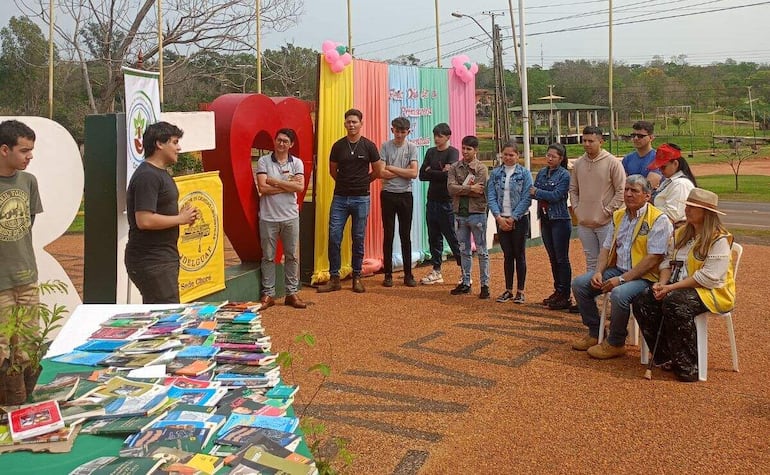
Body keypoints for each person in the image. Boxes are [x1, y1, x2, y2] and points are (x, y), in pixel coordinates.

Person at [632, 188, 735, 382]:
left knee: (675, 302)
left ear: (706, 213)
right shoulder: (680, 235)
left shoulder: (719, 239)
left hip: (712, 292)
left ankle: (688, 365)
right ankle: (666, 356)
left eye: (693, 207)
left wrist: (671, 288)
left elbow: (708, 277)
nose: (687, 210)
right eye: (687, 205)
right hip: (677, 288)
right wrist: (662, 284)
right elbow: (666, 263)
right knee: (644, 299)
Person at [571, 175, 673, 359]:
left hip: (646, 277)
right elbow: (606, 247)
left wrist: (622, 279)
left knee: (619, 294)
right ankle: (595, 332)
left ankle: (616, 342)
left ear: (647, 196)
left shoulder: (659, 220)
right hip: (618, 269)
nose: (628, 194)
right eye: (626, 190)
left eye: (634, 190)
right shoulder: (619, 216)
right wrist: (598, 272)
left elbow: (654, 258)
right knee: (580, 284)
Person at [125, 121, 199, 304]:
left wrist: (181, 216)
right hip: (152, 261)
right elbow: (144, 220)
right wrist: (180, 218)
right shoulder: (147, 176)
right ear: (159, 143)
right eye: (174, 142)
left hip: (163, 258)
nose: (178, 148)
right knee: (166, 319)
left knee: (164, 317)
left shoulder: (160, 173)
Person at [317, 109, 384, 294]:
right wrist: (345, 184)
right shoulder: (338, 146)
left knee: (358, 238)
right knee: (334, 237)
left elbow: (378, 171)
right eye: (348, 122)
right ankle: (335, 278)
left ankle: (356, 277)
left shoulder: (369, 146)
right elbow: (333, 171)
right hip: (340, 198)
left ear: (361, 123)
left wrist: (364, 182)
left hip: (361, 198)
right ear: (345, 124)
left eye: (354, 122)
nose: (351, 125)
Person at [0, 120, 43, 338]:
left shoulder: (29, 181)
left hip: (26, 276)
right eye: (24, 150)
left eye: (31, 150)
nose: (30, 156)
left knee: (29, 344)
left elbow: (29, 222)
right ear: (5, 150)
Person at [255, 129, 306, 309]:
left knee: (292, 256)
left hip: (290, 216)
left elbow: (300, 188)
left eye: (285, 141)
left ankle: (291, 293)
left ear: (291, 144)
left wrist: (275, 182)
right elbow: (262, 188)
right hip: (268, 217)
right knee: (268, 257)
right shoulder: (263, 161)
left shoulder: (297, 163)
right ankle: (268, 294)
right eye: (279, 140)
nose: (281, 144)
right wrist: (288, 185)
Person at [569, 126, 626, 274]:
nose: (587, 144)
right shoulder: (579, 163)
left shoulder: (613, 163)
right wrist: (576, 208)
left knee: (607, 259)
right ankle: (591, 294)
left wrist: (607, 211)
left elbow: (621, 190)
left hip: (606, 223)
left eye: (591, 141)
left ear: (601, 141)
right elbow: (573, 189)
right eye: (584, 140)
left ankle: (605, 294)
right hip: (584, 222)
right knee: (590, 260)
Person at [487, 141, 532, 304]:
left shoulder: (525, 174)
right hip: (501, 218)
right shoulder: (495, 173)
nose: (508, 157)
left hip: (519, 219)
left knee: (519, 254)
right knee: (507, 255)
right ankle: (508, 289)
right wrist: (498, 217)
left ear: (517, 156)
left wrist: (513, 217)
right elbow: (490, 195)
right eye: (505, 154)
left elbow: (527, 197)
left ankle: (520, 290)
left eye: (511, 155)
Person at [531, 143, 573, 310]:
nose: (549, 158)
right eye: (548, 155)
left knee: (562, 258)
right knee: (552, 257)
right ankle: (558, 290)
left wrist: (538, 193)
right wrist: (539, 193)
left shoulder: (564, 175)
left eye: (553, 156)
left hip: (560, 219)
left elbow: (556, 195)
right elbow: (533, 191)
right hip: (546, 218)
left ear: (561, 158)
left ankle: (565, 294)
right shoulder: (542, 172)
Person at [418, 123, 462, 285]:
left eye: (440, 136)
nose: (437, 139)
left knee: (452, 237)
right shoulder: (430, 152)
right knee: (433, 237)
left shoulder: (453, 152)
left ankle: (464, 271)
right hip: (432, 201)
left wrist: (432, 171)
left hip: (447, 202)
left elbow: (449, 174)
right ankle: (436, 270)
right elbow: (422, 175)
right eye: (435, 135)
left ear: (448, 137)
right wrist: (438, 171)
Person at [447, 136, 490, 298]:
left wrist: (461, 188)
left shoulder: (481, 169)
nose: (465, 152)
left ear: (476, 150)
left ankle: (485, 285)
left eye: (469, 149)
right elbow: (450, 188)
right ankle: (466, 282)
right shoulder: (454, 167)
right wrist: (469, 188)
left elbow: (480, 190)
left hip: (477, 214)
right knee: (463, 250)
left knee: (482, 251)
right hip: (460, 214)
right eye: (463, 148)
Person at [379, 117, 418, 288]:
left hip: (405, 195)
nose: (400, 134)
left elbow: (414, 173)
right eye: (397, 131)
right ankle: (388, 274)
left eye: (403, 132)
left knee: (405, 235)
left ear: (408, 132)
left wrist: (392, 168)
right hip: (387, 194)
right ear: (392, 129)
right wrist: (404, 172)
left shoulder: (412, 148)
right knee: (388, 235)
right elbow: (381, 172)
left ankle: (408, 274)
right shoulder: (385, 146)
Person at [648, 143, 697, 227]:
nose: (660, 170)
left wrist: (648, 209)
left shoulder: (680, 184)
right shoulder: (669, 181)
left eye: (663, 167)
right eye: (659, 167)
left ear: (675, 164)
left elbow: (674, 215)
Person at [622, 121, 661, 189]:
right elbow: (622, 183)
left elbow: (648, 187)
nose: (636, 138)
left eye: (640, 136)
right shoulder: (627, 159)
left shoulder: (658, 158)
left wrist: (629, 183)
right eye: (633, 135)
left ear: (651, 137)